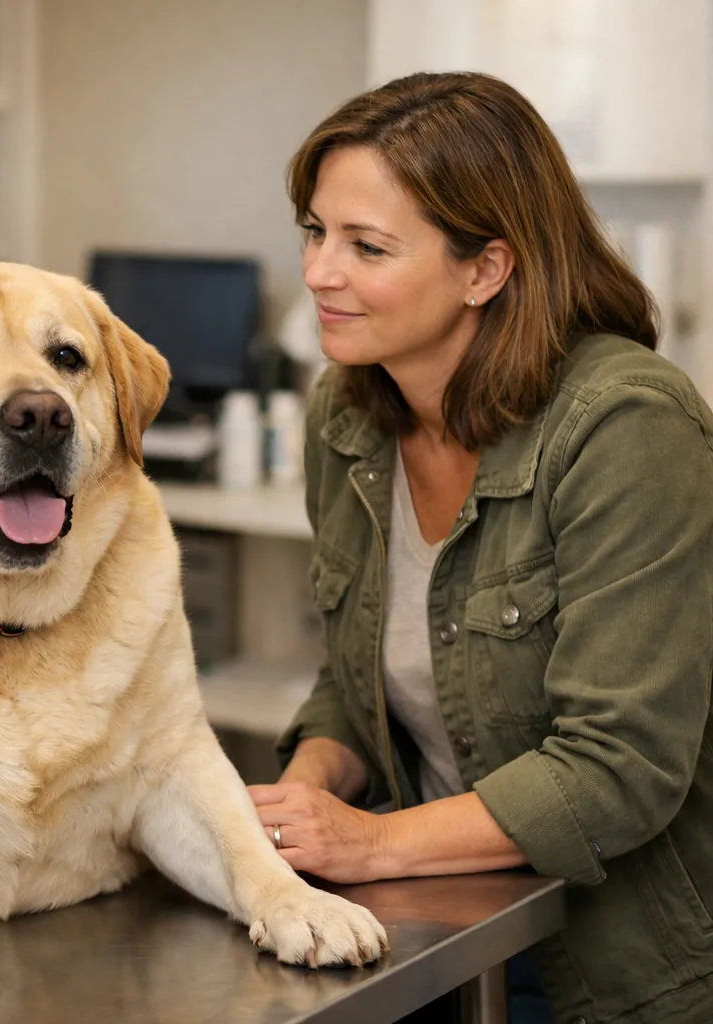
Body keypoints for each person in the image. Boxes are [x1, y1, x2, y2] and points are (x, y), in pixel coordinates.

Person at [252, 70, 713, 1024]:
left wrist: (367, 847)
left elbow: (616, 769)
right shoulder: (347, 417)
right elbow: (355, 680)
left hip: (624, 960)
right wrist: (295, 810)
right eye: (315, 231)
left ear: (485, 270)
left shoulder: (625, 426)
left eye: (365, 246)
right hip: (445, 918)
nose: (317, 273)